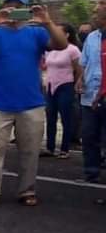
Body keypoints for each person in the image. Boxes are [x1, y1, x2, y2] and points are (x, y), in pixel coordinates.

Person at [0, 0, 68, 207]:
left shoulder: (37, 32)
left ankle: (26, 190)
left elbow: (61, 45)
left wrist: (48, 21)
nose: (14, 11)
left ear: (27, 9)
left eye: (19, 7)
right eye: (9, 7)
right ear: (3, 9)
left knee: (30, 149)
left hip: (31, 102)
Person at [41, 24, 83, 159]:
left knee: (66, 118)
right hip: (50, 85)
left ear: (67, 35)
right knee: (50, 117)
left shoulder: (73, 49)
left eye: (58, 32)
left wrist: (77, 83)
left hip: (65, 85)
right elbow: (45, 65)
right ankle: (50, 147)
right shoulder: (51, 49)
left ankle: (65, 148)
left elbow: (79, 68)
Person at [78, 10, 106, 183]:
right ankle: (91, 172)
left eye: (100, 9)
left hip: (103, 94)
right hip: (89, 95)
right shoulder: (91, 37)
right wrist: (80, 79)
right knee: (88, 135)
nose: (94, 13)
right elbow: (84, 63)